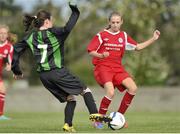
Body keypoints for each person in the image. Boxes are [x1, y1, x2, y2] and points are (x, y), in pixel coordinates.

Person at [11, 2, 111, 132]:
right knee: (86, 91)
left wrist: (16, 70)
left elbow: (15, 50)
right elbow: (68, 28)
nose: (52, 23)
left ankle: (67, 125)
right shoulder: (55, 33)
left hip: (44, 77)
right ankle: (97, 120)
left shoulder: (30, 36)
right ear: (46, 22)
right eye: (51, 21)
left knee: (71, 98)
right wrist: (75, 10)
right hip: (57, 72)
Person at [87, 11, 160, 128]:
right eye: (113, 22)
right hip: (103, 66)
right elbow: (90, 51)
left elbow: (138, 47)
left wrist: (153, 38)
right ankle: (98, 120)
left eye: (117, 22)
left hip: (117, 68)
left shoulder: (123, 36)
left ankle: (118, 117)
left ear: (121, 22)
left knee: (133, 88)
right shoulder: (101, 35)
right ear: (109, 22)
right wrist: (101, 55)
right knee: (110, 92)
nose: (115, 25)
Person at [0, 24, 14, 120]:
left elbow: (10, 60)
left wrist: (9, 66)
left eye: (4, 33)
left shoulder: (9, 47)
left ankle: (1, 115)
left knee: (2, 90)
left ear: (7, 35)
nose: (3, 35)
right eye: (1, 33)